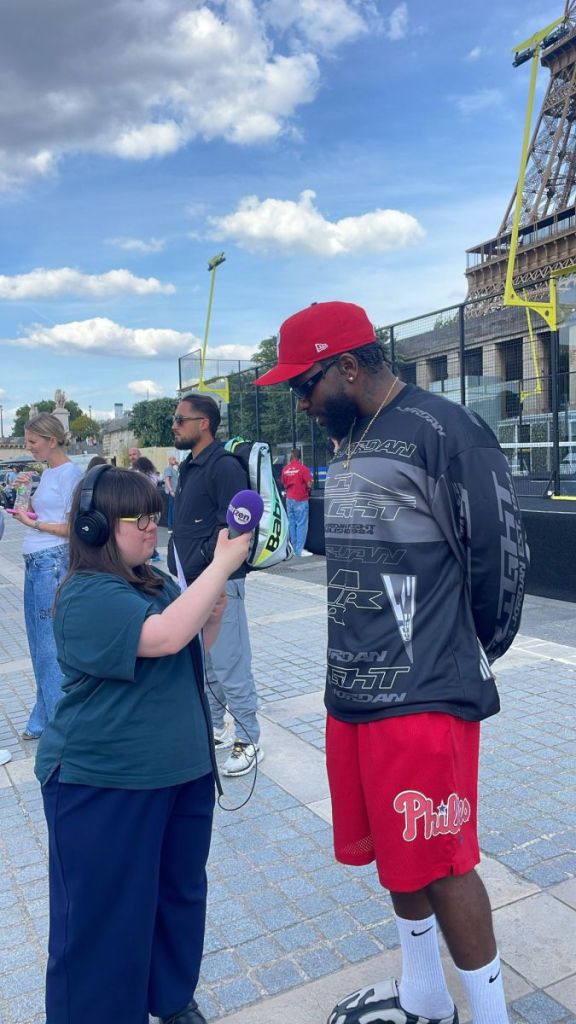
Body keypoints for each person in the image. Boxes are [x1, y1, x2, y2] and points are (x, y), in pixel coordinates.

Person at [255, 301, 528, 1024]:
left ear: (347, 366)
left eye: (304, 385)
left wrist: (465, 650)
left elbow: (499, 552)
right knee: (394, 855)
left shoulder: (445, 430)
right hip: (351, 688)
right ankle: (424, 995)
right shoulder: (349, 438)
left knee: (444, 862)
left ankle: (493, 1017)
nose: (301, 402)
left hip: (423, 695)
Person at [35, 465, 251, 1024]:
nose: (152, 529)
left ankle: (171, 998)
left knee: (177, 900)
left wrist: (211, 612)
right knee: (105, 919)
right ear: (94, 527)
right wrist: (222, 564)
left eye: (157, 516)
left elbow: (189, 652)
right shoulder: (85, 595)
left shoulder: (154, 580)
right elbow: (163, 636)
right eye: (139, 519)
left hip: (179, 774)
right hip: (104, 781)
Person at [169, 393, 263, 777]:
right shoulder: (191, 466)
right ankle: (218, 730)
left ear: (203, 423)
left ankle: (248, 737)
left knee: (230, 664)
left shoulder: (223, 466)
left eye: (179, 419)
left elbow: (238, 527)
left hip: (221, 581)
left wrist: (206, 559)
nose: (173, 426)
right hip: (194, 582)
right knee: (205, 664)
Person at [10, 414, 83, 740]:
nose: (29, 448)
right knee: (37, 642)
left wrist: (34, 524)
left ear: (52, 440)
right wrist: (23, 492)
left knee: (48, 646)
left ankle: (59, 726)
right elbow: (36, 514)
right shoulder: (50, 472)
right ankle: (44, 715)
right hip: (37, 559)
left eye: (33, 442)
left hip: (52, 560)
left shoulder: (70, 473)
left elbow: (72, 528)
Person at [281, 447, 313, 556]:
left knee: (292, 523)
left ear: (291, 456)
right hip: (300, 499)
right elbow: (309, 484)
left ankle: (293, 548)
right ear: (300, 457)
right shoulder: (303, 469)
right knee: (301, 524)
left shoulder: (285, 469)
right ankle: (299, 550)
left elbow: (284, 484)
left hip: (289, 499)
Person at [133, 456, 161, 560]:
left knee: (143, 528)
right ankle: (153, 550)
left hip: (142, 505)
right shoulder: (153, 476)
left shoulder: (137, 476)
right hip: (153, 504)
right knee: (152, 528)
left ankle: (146, 550)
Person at [164, 454, 179, 529]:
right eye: (173, 459)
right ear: (169, 460)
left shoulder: (173, 469)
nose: (174, 460)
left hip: (174, 491)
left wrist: (178, 464)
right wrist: (171, 491)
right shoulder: (168, 469)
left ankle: (172, 525)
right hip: (172, 492)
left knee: (173, 508)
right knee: (172, 508)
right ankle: (171, 526)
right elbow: (167, 480)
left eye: (175, 459)